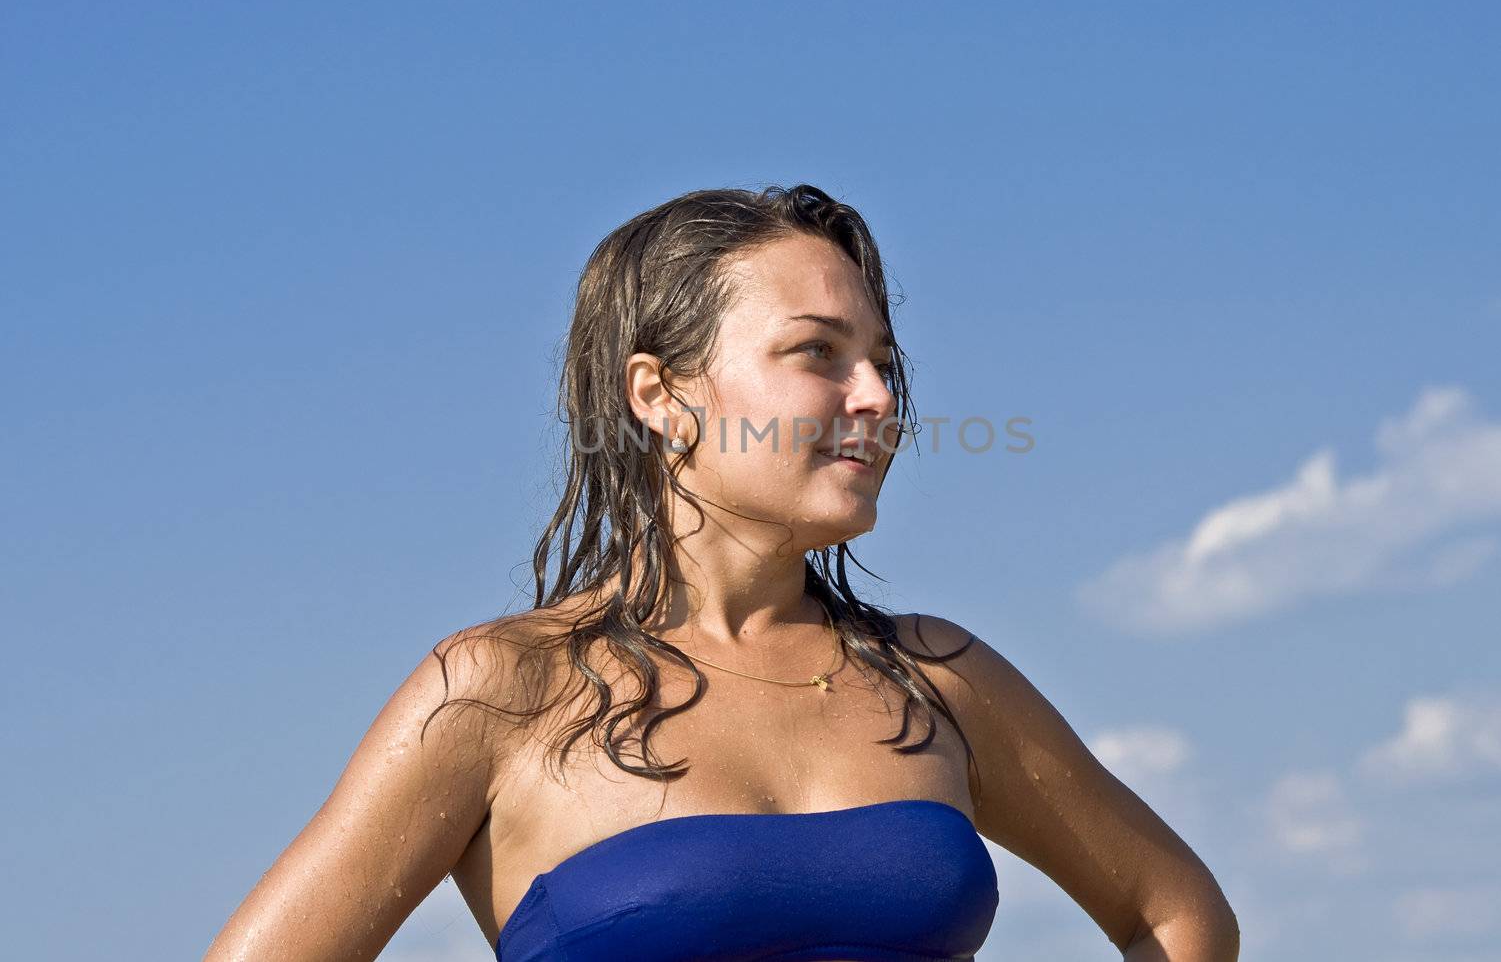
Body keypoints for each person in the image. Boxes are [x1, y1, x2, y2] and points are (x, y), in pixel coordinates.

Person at [202, 184, 1240, 962]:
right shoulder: (501, 691)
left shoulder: (941, 679)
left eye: (883, 358)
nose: (877, 394)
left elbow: (1176, 912)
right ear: (659, 393)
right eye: (817, 352)